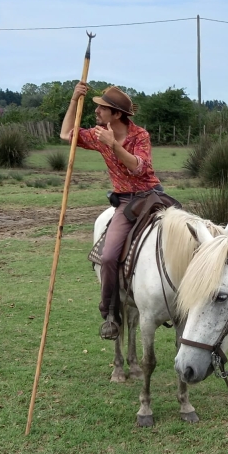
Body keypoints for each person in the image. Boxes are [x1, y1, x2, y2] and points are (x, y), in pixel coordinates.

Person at [60, 83, 160, 340]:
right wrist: (74, 100)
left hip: (152, 194)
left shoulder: (140, 136)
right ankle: (110, 312)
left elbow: (139, 168)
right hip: (126, 202)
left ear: (116, 114)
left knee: (189, 232)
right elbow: (66, 135)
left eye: (101, 108)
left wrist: (114, 145)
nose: (96, 111)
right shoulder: (97, 134)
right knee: (107, 257)